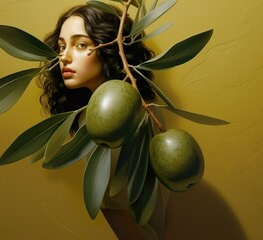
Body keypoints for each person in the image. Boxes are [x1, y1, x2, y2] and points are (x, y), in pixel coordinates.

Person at [39, 4, 170, 240]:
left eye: (80, 45)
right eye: (61, 46)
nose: (64, 57)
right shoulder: (140, 102)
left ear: (110, 47)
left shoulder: (120, 115)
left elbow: (114, 209)